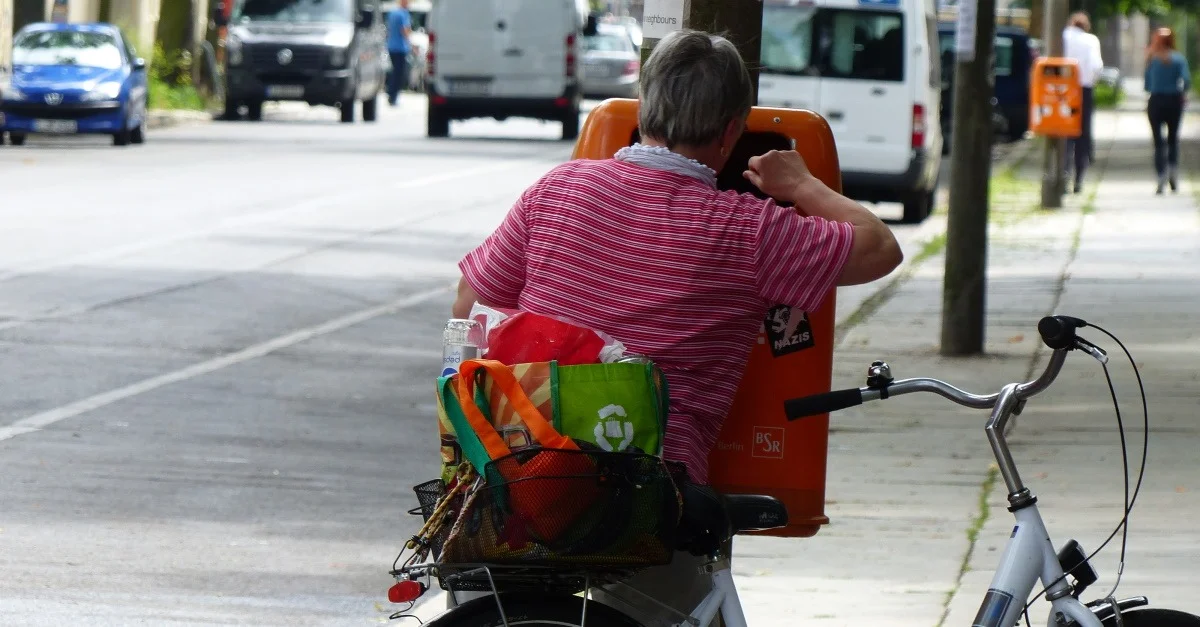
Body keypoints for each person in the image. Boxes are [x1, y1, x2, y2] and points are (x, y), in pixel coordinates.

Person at [451, 29, 902, 624]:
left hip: (522, 472)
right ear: (731, 131)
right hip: (649, 491)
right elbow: (880, 248)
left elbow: (471, 302)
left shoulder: (557, 190)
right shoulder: (750, 231)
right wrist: (800, 185)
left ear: (644, 107)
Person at [1145, 27, 1191, 195]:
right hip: (1174, 101)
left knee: (1158, 141)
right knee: (1173, 139)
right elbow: (1186, 80)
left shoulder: (1152, 58)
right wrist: (1181, 91)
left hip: (1156, 100)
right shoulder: (1179, 59)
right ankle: (1173, 171)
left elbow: (1147, 84)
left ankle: (1160, 176)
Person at [1062, 11, 1103, 193]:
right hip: (1083, 89)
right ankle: (1078, 177)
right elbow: (1096, 66)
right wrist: (1091, 80)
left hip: (1062, 89)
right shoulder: (1091, 40)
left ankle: (1063, 172)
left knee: (1063, 131)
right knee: (1082, 133)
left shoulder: (1062, 37)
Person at [385, 0, 412, 107]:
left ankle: (390, 92)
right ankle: (393, 95)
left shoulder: (392, 13)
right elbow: (405, 30)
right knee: (399, 73)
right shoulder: (403, 14)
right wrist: (411, 43)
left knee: (394, 71)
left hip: (391, 46)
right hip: (401, 47)